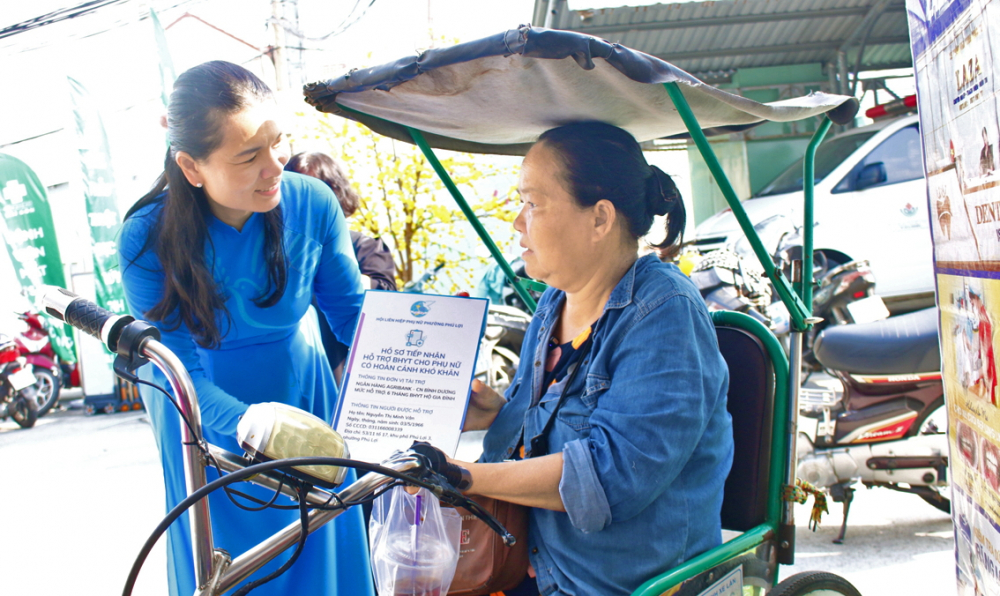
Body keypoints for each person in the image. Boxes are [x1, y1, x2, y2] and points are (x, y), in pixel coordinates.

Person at [119, 61, 374, 596]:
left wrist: (424, 372)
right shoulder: (146, 237)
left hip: (302, 395)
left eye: (278, 144)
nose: (274, 167)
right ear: (191, 166)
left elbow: (353, 316)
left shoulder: (312, 202)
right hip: (203, 411)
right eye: (248, 156)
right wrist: (250, 426)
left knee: (321, 550)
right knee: (232, 569)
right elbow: (177, 369)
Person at [457, 121, 734, 596]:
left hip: (615, 583)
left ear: (600, 219)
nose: (517, 222)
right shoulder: (553, 302)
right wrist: (499, 414)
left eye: (533, 203)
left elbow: (612, 476)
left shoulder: (666, 311)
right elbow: (549, 431)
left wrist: (464, 477)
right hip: (531, 564)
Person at [285, 152, 397, 384]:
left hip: (342, 372)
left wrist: (334, 272)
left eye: (313, 190)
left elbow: (386, 295)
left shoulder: (364, 245)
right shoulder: (275, 250)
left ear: (335, 191)